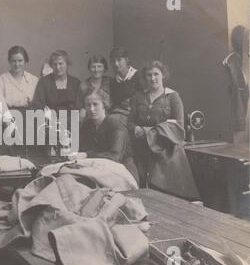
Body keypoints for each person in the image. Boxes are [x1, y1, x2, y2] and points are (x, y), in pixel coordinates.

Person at [128, 60, 199, 200]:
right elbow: (130, 121)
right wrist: (135, 128)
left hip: (166, 150)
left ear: (163, 75)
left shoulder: (173, 97)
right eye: (149, 75)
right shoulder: (138, 97)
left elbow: (178, 126)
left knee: (165, 194)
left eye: (156, 74)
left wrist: (148, 131)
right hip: (142, 148)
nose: (153, 78)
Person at [78, 88, 138, 182]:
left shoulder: (116, 126)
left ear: (104, 105)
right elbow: (81, 149)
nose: (91, 109)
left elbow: (115, 157)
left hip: (123, 172)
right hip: (98, 170)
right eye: (88, 105)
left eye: (95, 104)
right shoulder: (86, 126)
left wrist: (86, 155)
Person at [0, 46, 38, 110]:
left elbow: (38, 106)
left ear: (25, 61)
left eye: (20, 61)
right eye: (13, 61)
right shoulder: (0, 81)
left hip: (29, 116)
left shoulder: (34, 80)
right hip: (7, 117)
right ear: (9, 61)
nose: (17, 64)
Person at [109, 47, 143, 126]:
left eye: (119, 60)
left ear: (126, 60)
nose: (116, 64)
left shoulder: (139, 76)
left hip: (138, 116)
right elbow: (114, 103)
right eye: (113, 61)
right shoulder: (113, 82)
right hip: (121, 115)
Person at [80, 54, 111, 122]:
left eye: (99, 66)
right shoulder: (83, 85)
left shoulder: (111, 82)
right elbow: (79, 105)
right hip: (90, 115)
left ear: (104, 68)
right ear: (89, 68)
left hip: (109, 115)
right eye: (93, 67)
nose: (96, 70)